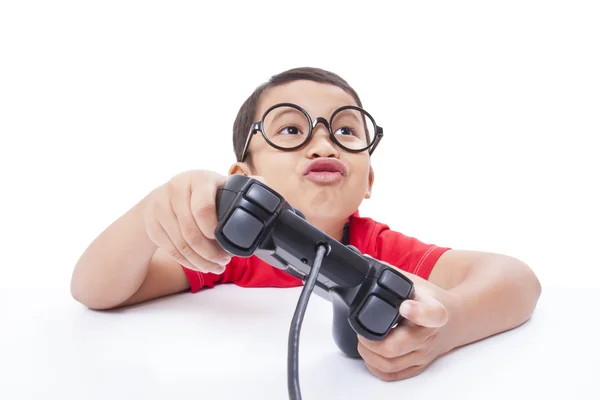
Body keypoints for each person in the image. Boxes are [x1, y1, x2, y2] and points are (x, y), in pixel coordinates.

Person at [70, 67, 542, 382]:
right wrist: (151, 214)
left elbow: (518, 279)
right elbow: (95, 290)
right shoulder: (223, 252)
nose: (323, 143)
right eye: (292, 130)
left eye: (346, 131)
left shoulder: (378, 248)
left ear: (369, 180)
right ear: (241, 180)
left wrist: (451, 325)